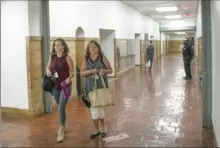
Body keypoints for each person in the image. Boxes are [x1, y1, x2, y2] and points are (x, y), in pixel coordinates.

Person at [80, 40, 113, 139]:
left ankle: (101, 128)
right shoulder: (86, 59)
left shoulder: (102, 58)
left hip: (101, 86)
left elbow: (110, 70)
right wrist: (91, 71)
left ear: (98, 48)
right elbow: (81, 73)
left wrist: (104, 71)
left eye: (94, 46)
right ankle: (98, 129)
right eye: (90, 47)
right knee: (94, 108)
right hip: (90, 87)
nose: (92, 48)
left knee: (100, 106)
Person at [46, 38, 74, 142]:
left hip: (65, 86)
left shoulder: (67, 58)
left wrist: (69, 78)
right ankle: (64, 124)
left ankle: (62, 129)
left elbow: (73, 71)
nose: (56, 47)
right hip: (55, 86)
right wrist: (48, 71)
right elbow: (47, 67)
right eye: (55, 45)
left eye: (58, 45)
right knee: (60, 107)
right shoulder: (52, 57)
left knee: (61, 108)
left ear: (63, 46)